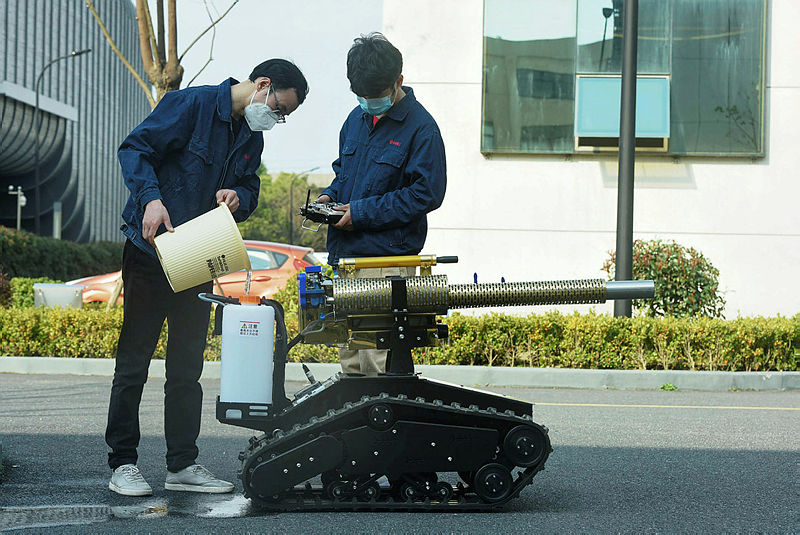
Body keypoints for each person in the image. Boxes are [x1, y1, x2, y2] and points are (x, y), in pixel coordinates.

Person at [106, 59, 308, 497]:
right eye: (280, 108)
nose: (277, 119)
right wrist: (151, 199)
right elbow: (134, 148)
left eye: (284, 116)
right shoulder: (190, 104)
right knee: (134, 362)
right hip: (151, 248)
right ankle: (122, 463)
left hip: (197, 255)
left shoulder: (251, 136)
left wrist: (241, 196)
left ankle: (181, 465)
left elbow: (250, 186)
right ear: (263, 85)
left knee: (187, 367)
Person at [317, 33, 446, 375]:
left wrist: (359, 213)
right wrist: (329, 197)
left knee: (379, 362)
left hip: (387, 262)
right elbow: (344, 173)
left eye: (374, 96)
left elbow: (426, 194)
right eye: (360, 96)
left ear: (398, 82)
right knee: (351, 362)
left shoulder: (422, 129)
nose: (367, 102)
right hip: (346, 260)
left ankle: (385, 429)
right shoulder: (354, 121)